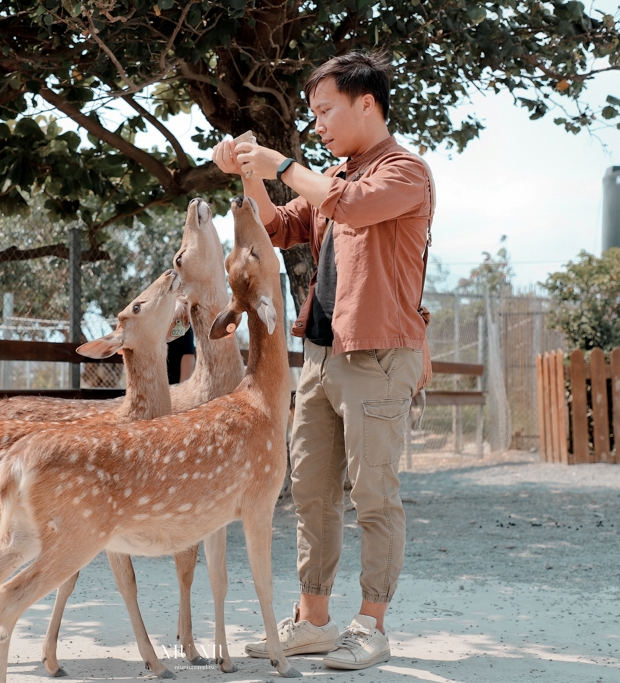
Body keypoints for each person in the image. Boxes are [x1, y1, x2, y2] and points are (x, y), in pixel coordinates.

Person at [211, 50, 433, 671]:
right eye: (313, 114)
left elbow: (351, 206)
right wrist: (248, 174)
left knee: (374, 496)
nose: (318, 124)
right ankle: (313, 621)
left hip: (379, 359)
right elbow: (277, 228)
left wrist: (279, 162)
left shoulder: (404, 173)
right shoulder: (338, 176)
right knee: (309, 492)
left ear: (367, 103)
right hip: (321, 355)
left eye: (325, 110)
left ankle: (372, 625)